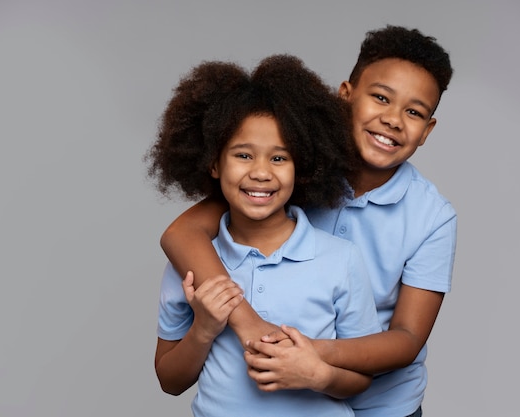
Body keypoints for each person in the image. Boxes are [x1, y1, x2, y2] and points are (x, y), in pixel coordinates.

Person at [160, 25, 456, 417]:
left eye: (414, 112)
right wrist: (248, 324)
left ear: (427, 130)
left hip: (384, 406)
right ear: (346, 95)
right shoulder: (289, 178)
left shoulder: (433, 217)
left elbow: (407, 338)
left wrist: (304, 355)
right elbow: (182, 233)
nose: (393, 119)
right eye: (381, 98)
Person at [147, 54, 382, 417]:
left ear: (301, 166)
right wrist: (205, 329)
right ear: (213, 163)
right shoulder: (193, 263)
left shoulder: (340, 259)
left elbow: (362, 377)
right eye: (243, 155)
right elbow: (170, 380)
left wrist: (317, 375)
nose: (260, 173)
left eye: (279, 158)